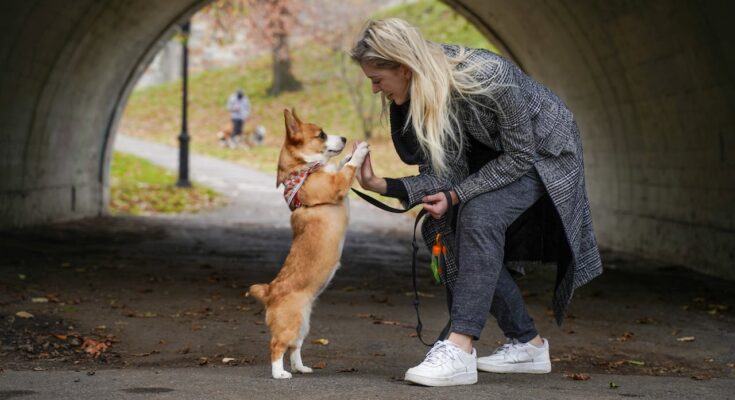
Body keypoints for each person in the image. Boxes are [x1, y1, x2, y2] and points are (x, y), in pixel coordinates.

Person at [349, 18, 602, 387]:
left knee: (479, 215)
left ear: (402, 67)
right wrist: (379, 183)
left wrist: (457, 195)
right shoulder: (427, 92)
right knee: (449, 228)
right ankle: (527, 342)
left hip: (545, 153)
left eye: (377, 79)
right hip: (494, 155)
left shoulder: (489, 75)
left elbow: (519, 156)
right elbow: (446, 174)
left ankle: (461, 347)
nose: (374, 90)